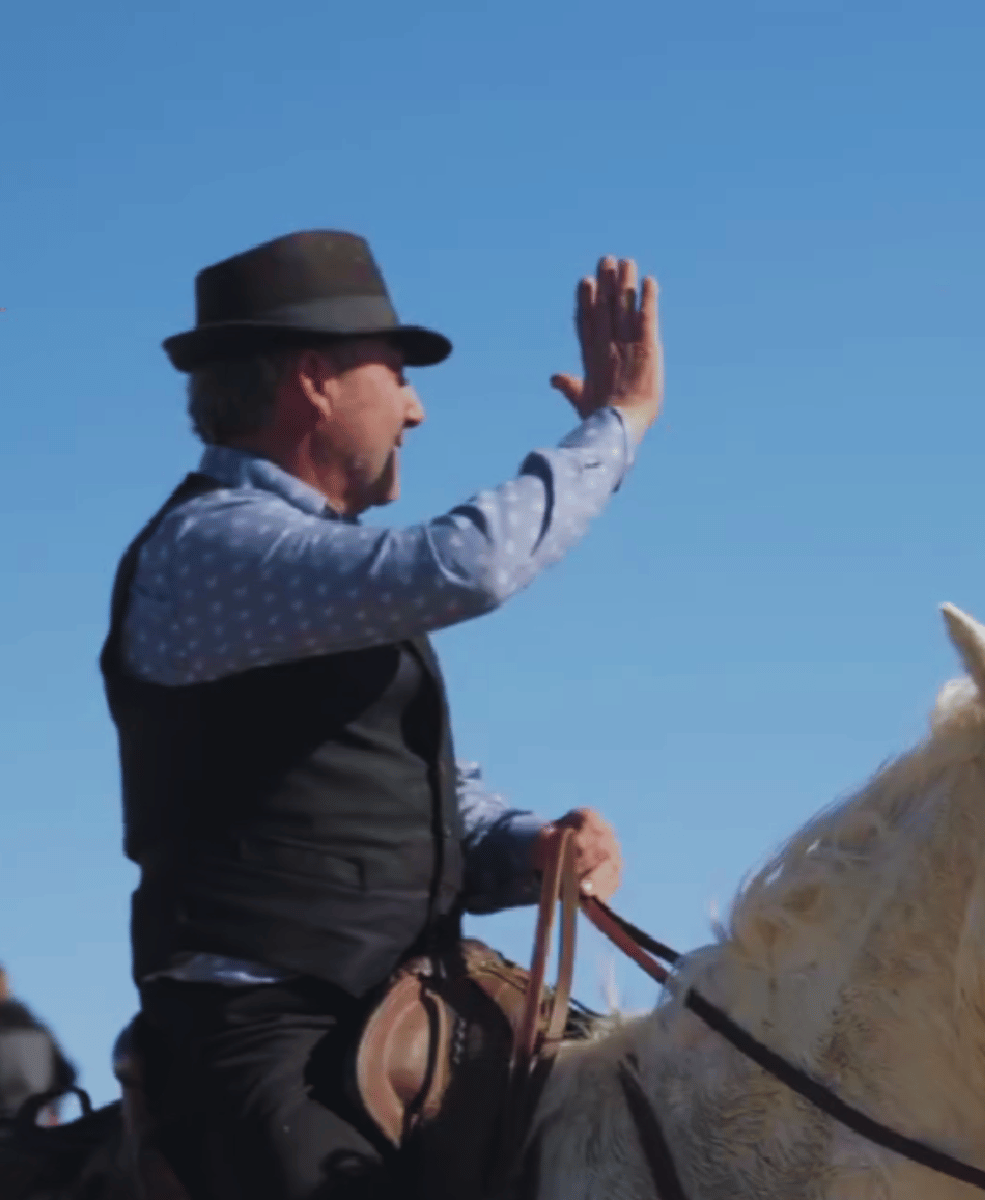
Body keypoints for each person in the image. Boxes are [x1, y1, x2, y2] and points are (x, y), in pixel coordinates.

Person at [101, 230, 662, 1199]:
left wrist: (529, 847)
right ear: (315, 378)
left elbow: (429, 799)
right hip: (274, 1041)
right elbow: (468, 565)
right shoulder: (210, 548)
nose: (417, 407)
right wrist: (617, 424)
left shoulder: (317, 578)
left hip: (406, 1009)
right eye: (396, 374)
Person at [0, 965, 77, 1124]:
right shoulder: (36, 1028)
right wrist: (52, 1109)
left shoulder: (33, 1028)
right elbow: (67, 1073)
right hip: (38, 1126)